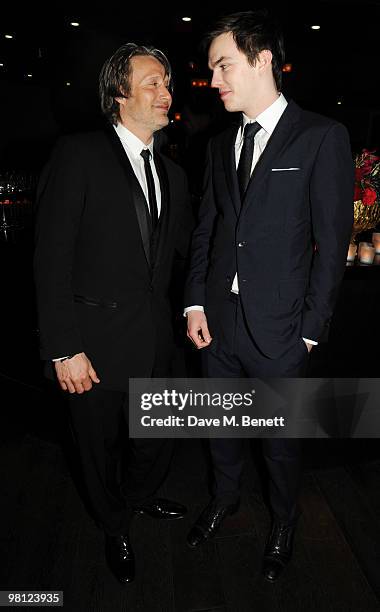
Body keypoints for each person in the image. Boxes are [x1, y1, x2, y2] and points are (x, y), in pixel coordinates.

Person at [185, 10, 354, 582]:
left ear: (262, 61)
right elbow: (207, 230)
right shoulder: (217, 144)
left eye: (223, 65)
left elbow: (332, 245)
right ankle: (224, 497)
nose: (214, 80)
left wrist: (310, 329)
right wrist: (194, 303)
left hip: (282, 329)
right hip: (219, 325)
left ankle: (283, 520)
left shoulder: (322, 136)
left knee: (281, 443)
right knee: (220, 428)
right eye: (212, 68)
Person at [34, 42, 192, 584]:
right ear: (118, 94)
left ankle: (140, 496)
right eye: (152, 82)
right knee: (97, 452)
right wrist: (63, 347)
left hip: (156, 342)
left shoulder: (174, 175)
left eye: (167, 82)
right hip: (92, 347)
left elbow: (184, 256)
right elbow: (50, 259)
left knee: (156, 440)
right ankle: (114, 523)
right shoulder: (78, 153)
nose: (166, 91)